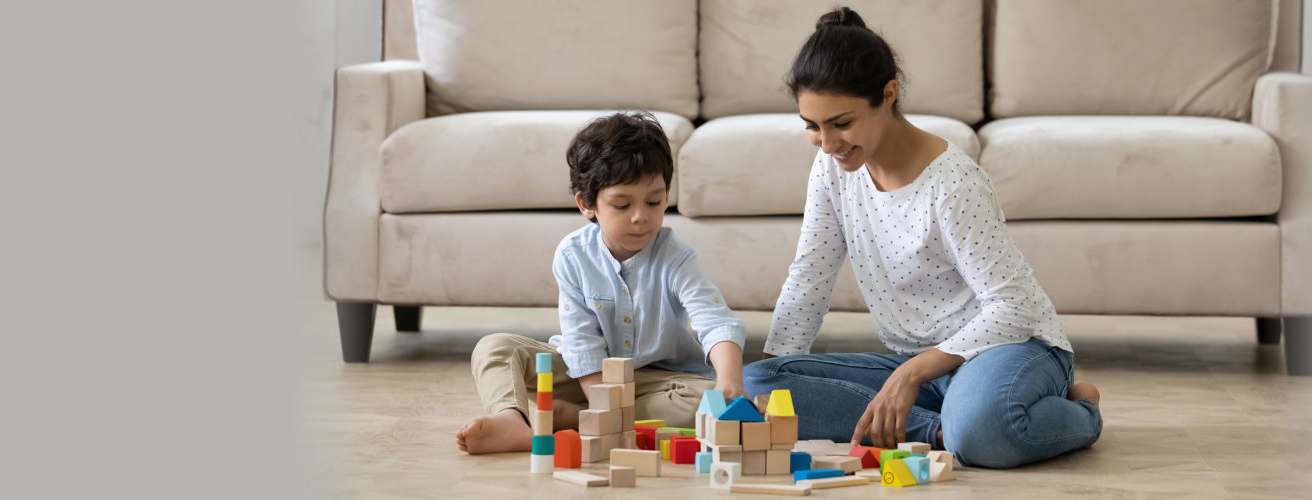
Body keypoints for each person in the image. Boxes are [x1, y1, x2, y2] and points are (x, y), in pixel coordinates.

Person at [742, 7, 1102, 469]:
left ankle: (1080, 411)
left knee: (984, 431)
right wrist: (772, 381)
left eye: (841, 123)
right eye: (812, 126)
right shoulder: (833, 168)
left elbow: (1013, 309)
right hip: (919, 366)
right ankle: (941, 427)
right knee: (762, 383)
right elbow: (811, 273)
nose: (828, 143)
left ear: (887, 95)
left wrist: (914, 371)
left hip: (1010, 347)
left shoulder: (953, 183)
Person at [455, 112, 749, 454]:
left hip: (656, 381)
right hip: (585, 375)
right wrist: (602, 402)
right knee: (494, 347)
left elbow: (714, 319)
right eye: (622, 205)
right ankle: (510, 418)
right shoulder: (572, 255)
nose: (641, 216)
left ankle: (578, 419)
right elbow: (580, 341)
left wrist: (730, 381)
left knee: (702, 400)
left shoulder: (675, 257)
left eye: (654, 201)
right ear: (587, 204)